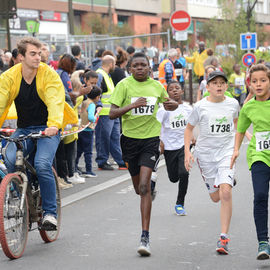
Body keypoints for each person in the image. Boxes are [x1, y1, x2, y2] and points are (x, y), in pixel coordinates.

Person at [0, 37, 77, 230]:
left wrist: (53, 125)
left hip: (47, 128)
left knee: (42, 164)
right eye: (33, 54)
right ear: (21, 57)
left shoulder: (49, 75)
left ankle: (50, 213)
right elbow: (0, 102)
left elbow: (55, 101)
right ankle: (22, 201)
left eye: (39, 53)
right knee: (9, 160)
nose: (38, 57)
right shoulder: (9, 77)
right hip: (24, 129)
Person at [109, 52, 178, 256]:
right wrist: (132, 105)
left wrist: (172, 104)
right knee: (139, 190)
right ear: (130, 68)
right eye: (136, 65)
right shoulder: (124, 85)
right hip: (129, 141)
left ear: (149, 68)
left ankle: (145, 237)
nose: (139, 68)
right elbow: (112, 113)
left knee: (143, 187)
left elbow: (170, 104)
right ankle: (149, 188)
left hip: (150, 140)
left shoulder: (156, 86)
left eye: (143, 65)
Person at [184, 70, 240, 255]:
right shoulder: (200, 107)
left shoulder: (233, 104)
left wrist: (240, 143)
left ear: (226, 86)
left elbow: (237, 124)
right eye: (214, 83)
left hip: (226, 153)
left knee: (225, 192)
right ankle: (226, 180)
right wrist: (187, 152)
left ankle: (223, 237)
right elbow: (189, 129)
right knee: (215, 197)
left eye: (222, 83)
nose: (218, 86)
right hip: (206, 155)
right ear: (207, 87)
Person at [230, 64, 270, 260]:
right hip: (259, 155)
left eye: (263, 80)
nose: (259, 84)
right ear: (249, 84)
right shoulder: (249, 106)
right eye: (254, 81)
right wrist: (236, 149)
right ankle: (263, 242)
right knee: (260, 196)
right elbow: (240, 130)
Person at [157, 80, 192, 215]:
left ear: (182, 91)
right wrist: (160, 141)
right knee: (173, 178)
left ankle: (180, 203)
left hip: (184, 146)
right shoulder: (164, 110)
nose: (175, 90)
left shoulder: (188, 109)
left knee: (184, 173)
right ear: (167, 93)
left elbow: (192, 125)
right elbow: (157, 126)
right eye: (171, 89)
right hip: (169, 147)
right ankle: (174, 175)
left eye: (177, 88)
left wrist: (193, 137)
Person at [95, 55, 126, 170]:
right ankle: (102, 161)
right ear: (111, 64)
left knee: (114, 138)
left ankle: (120, 161)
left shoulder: (106, 75)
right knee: (104, 138)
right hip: (104, 113)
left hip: (112, 112)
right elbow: (96, 92)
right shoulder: (100, 75)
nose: (116, 66)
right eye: (114, 64)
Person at [76, 86, 102, 178]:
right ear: (97, 97)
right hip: (88, 130)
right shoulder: (91, 104)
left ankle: (74, 168)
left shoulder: (84, 102)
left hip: (80, 129)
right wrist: (95, 118)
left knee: (78, 150)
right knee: (88, 152)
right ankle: (89, 170)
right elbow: (91, 117)